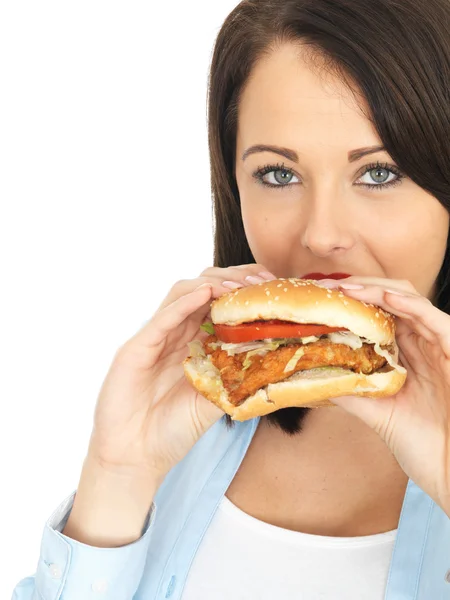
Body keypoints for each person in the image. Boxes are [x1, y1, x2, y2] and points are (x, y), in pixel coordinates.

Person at [12, 0, 450, 598]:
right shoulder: (180, 421)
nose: (321, 234)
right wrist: (117, 480)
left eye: (379, 173)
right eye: (278, 174)